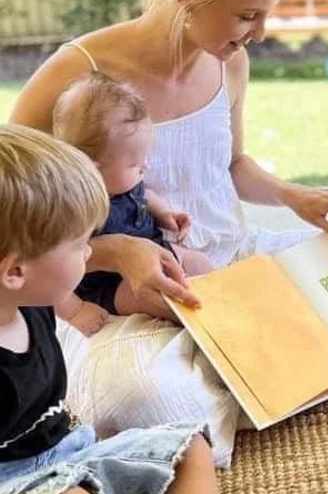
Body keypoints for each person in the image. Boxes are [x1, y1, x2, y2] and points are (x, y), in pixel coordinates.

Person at [8, 0, 328, 459]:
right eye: (246, 16)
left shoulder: (229, 61)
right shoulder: (75, 75)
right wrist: (113, 250)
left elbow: (231, 165)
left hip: (226, 256)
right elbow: (11, 216)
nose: (259, 33)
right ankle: (248, 376)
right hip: (112, 298)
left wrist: (297, 197)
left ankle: (248, 368)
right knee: (149, 401)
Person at [0, 124, 226, 494]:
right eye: (79, 245)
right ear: (15, 271)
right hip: (13, 491)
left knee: (187, 449)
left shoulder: (34, 303)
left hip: (69, 454)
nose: (90, 252)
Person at [52, 72, 213, 333]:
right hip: (111, 283)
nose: (145, 166)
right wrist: (76, 311)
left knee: (200, 264)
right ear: (93, 168)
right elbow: (51, 269)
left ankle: (218, 303)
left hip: (156, 250)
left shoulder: (124, 182)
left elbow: (143, 195)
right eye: (134, 164)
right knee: (157, 301)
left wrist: (165, 213)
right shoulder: (75, 209)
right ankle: (199, 323)